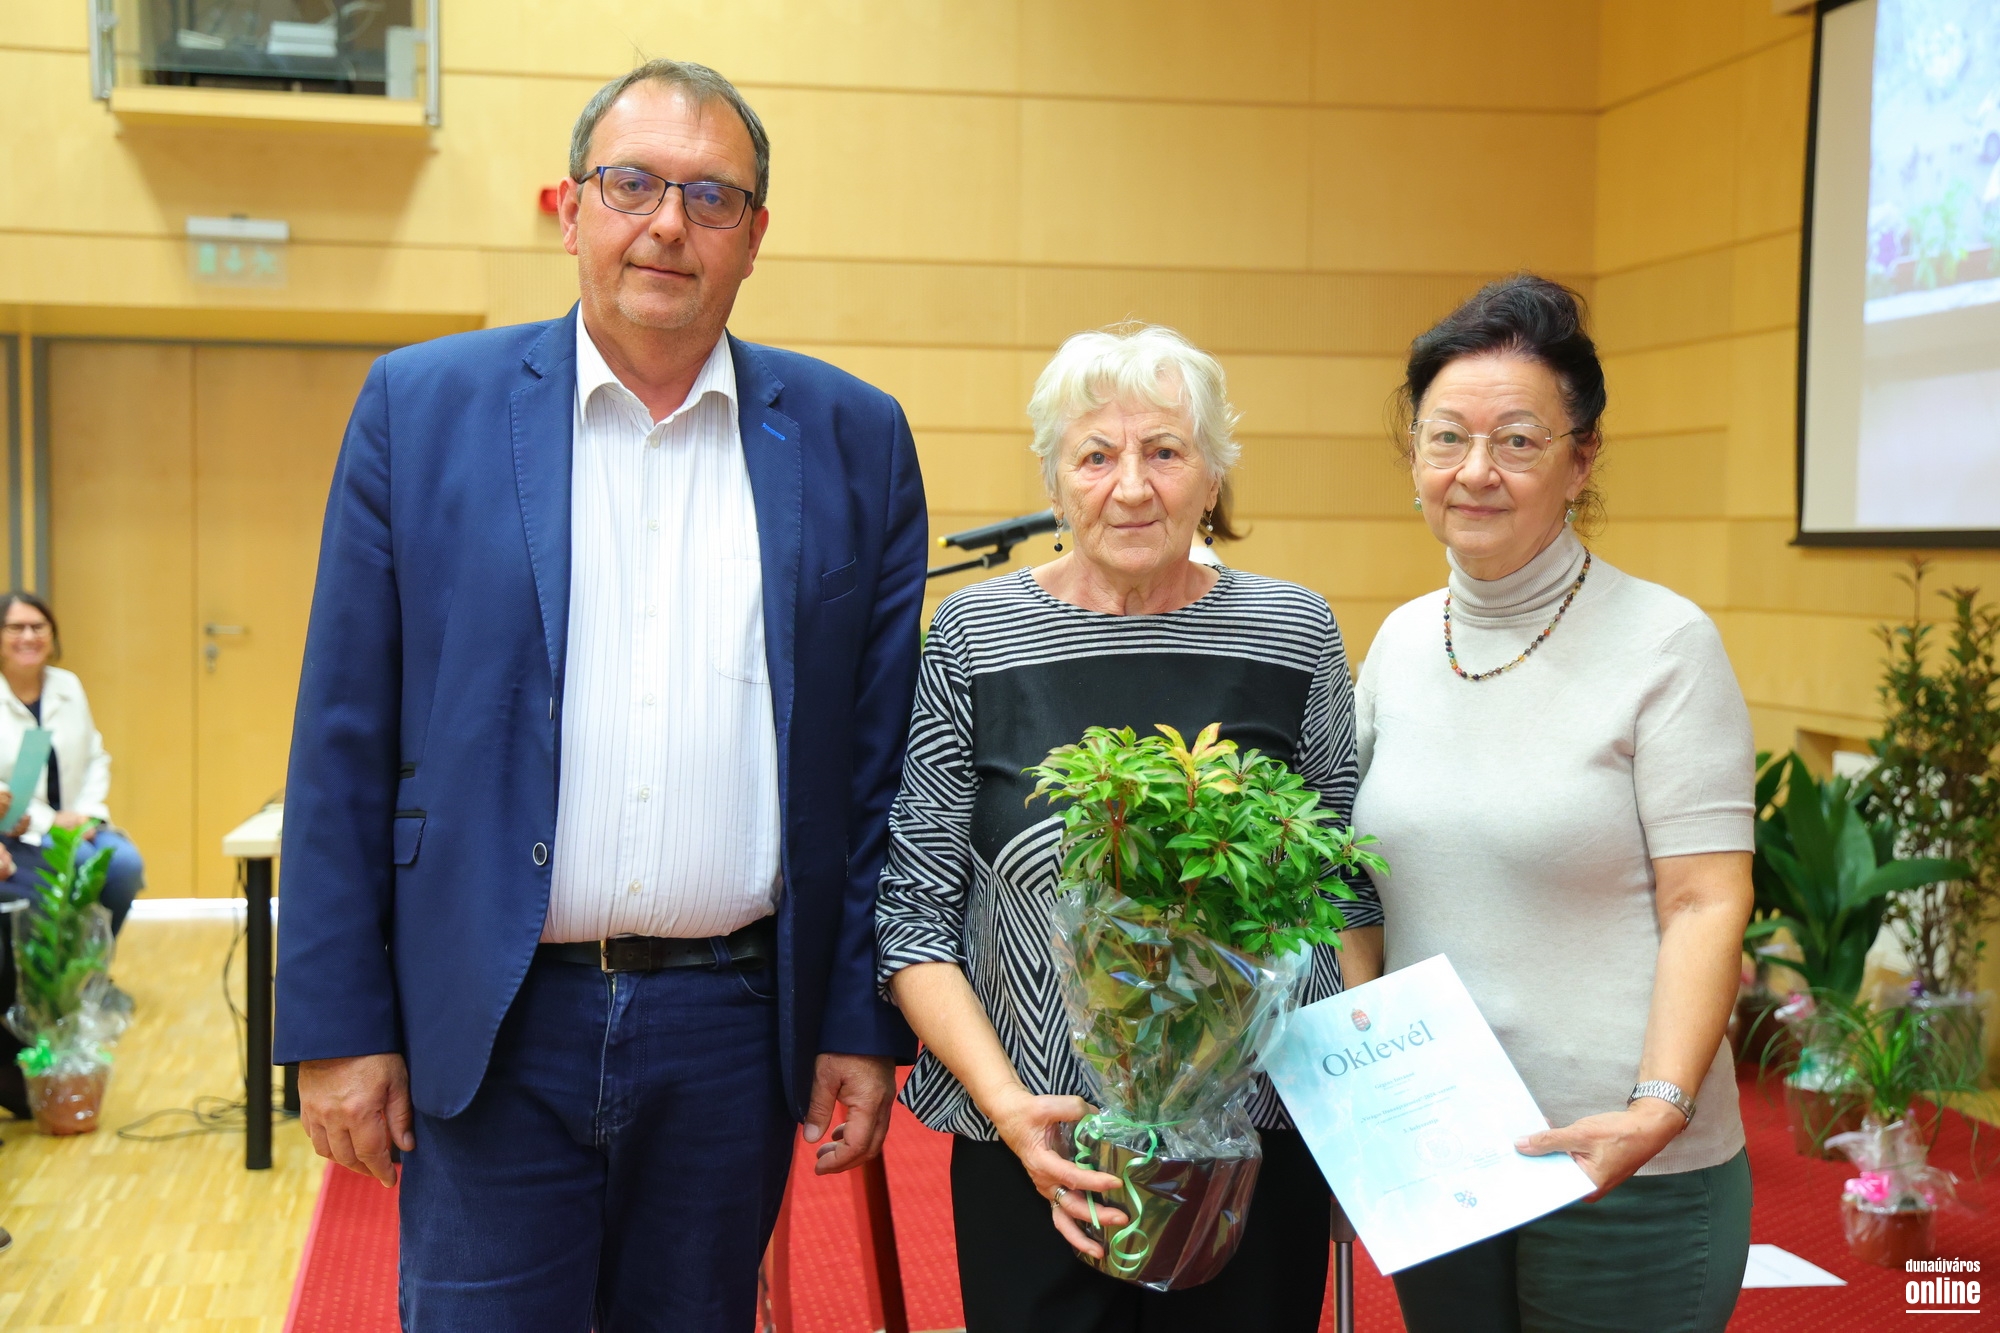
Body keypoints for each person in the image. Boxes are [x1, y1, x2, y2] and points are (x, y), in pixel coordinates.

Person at [274, 59, 926, 1332]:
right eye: (632, 184)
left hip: (732, 1031)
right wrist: (338, 1025)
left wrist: (857, 1019)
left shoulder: (853, 437)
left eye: (710, 196)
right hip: (493, 1019)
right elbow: (342, 736)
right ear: (571, 209)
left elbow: (873, 774)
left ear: (754, 237)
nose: (668, 223)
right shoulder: (422, 408)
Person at [877, 323, 1384, 1333]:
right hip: (1037, 1142)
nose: (1131, 487)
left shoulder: (1291, 631)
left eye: (1165, 451)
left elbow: (1340, 893)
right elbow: (914, 914)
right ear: (1054, 480)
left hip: (1254, 1144)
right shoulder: (976, 637)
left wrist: (1351, 1117)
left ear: (1213, 476)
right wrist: (1010, 1110)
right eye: (1096, 456)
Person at [1352, 275, 1754, 1333]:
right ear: (1414, 457)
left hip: (1617, 1161)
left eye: (1518, 441)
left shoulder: (1666, 645)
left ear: (1581, 460)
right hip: (1440, 1149)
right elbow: (1354, 884)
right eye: (1446, 437)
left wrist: (1656, 1110)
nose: (1474, 470)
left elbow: (1706, 901)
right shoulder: (1398, 641)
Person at [0, 592, 146, 932]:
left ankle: (94, 961)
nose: (28, 637)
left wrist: (86, 815)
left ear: (52, 635)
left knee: (125, 866)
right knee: (79, 862)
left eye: (38, 627)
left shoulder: (67, 686)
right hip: (23, 828)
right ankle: (62, 964)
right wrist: (52, 821)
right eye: (16, 628)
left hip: (82, 820)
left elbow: (95, 756)